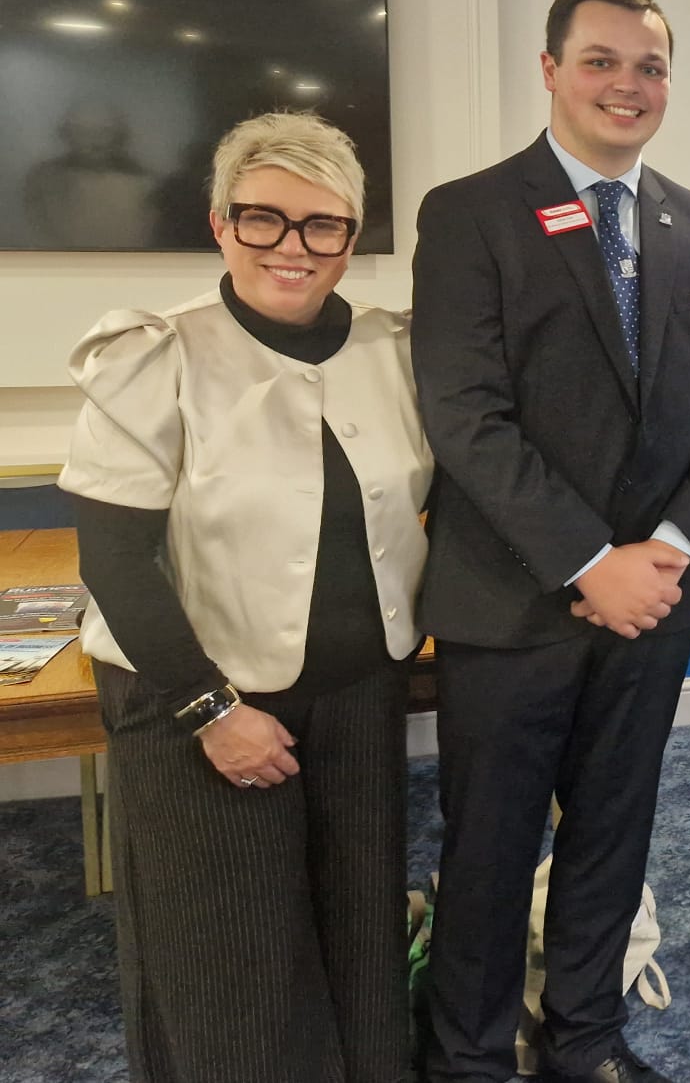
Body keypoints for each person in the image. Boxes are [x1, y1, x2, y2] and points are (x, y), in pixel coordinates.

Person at [412, 0, 690, 1083]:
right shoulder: (467, 211)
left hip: (653, 603)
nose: (628, 84)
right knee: (489, 846)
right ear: (551, 69)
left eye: (649, 66)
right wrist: (587, 561)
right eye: (603, 60)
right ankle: (467, 1056)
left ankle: (584, 1037)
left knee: (612, 837)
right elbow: (466, 416)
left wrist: (662, 551)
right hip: (511, 602)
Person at [58, 111, 430, 1082]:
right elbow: (112, 556)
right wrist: (213, 709)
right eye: (263, 219)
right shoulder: (158, 351)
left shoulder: (396, 349)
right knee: (232, 964)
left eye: (323, 225)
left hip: (360, 692)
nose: (292, 248)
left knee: (360, 934)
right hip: (199, 698)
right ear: (220, 223)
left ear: (352, 235)